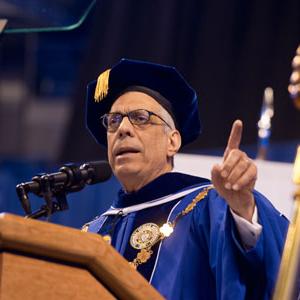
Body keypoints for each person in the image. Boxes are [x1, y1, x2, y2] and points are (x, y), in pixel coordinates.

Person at [83, 58, 288, 300]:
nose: (123, 129)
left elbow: (276, 269)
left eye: (140, 117)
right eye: (114, 120)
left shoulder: (209, 205)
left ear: (173, 142)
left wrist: (243, 208)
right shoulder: (91, 233)